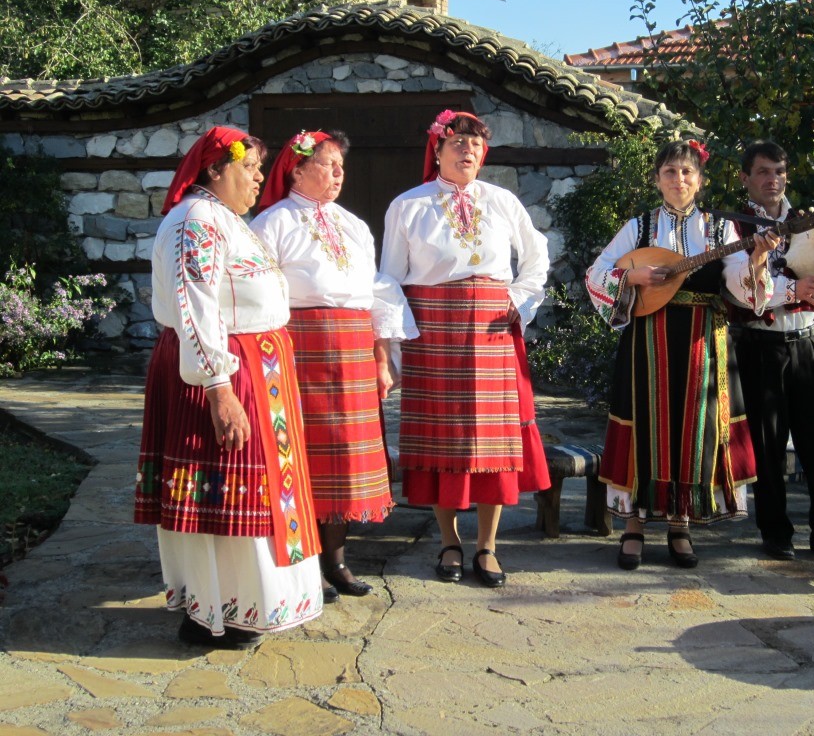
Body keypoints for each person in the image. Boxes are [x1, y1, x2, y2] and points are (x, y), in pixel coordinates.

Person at [134, 126, 322, 649]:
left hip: (257, 370)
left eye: (261, 169)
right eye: (249, 168)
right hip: (222, 371)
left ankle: (242, 607)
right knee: (225, 492)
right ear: (216, 169)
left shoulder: (227, 221)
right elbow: (197, 304)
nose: (259, 179)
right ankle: (215, 611)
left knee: (256, 490)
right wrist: (219, 389)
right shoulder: (196, 220)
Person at [380, 109, 551, 588]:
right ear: (436, 150)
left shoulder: (501, 201)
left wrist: (518, 300)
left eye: (475, 145)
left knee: (491, 441)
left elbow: (536, 258)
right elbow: (390, 279)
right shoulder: (407, 206)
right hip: (432, 331)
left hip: (492, 328)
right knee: (443, 440)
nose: (467, 150)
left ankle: (488, 546)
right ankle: (449, 540)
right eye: (457, 143)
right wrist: (394, 347)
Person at [250, 130, 417, 602]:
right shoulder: (272, 223)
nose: (338, 172)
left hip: (351, 348)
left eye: (341, 164)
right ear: (297, 169)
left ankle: (337, 561)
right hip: (299, 347)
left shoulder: (353, 225)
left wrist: (382, 358)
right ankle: (305, 565)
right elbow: (261, 296)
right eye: (327, 163)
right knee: (302, 458)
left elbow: (376, 292)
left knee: (344, 460)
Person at [586, 138, 766, 570]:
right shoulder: (639, 228)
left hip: (702, 341)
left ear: (700, 181)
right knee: (643, 424)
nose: (678, 179)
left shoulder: (721, 229)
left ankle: (679, 525)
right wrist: (633, 275)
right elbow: (596, 274)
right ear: (657, 180)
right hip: (647, 339)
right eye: (670, 172)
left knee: (693, 428)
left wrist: (757, 261)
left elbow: (742, 284)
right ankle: (633, 527)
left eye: (687, 172)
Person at [727, 140, 814, 563]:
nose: (773, 180)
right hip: (758, 347)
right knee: (767, 444)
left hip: (807, 343)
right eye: (764, 172)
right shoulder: (731, 228)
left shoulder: (811, 221)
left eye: (779, 172)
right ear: (745, 178)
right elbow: (737, 285)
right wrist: (792, 289)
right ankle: (775, 532)